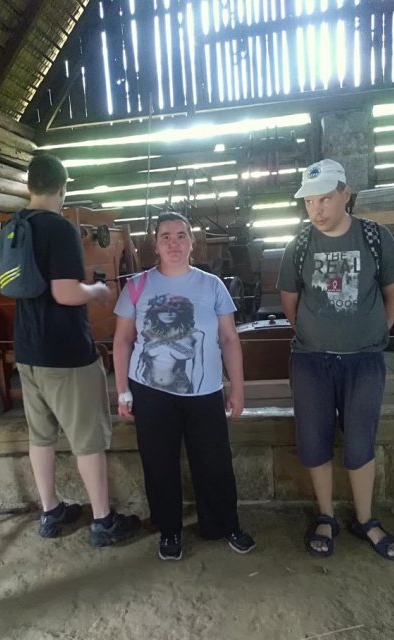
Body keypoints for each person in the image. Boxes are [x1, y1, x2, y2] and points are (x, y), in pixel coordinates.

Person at [277, 159, 394, 560]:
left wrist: (375, 331)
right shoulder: (300, 245)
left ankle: (365, 519)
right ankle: (326, 515)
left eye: (325, 199)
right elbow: (289, 301)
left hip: (363, 361)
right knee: (313, 439)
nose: (317, 209)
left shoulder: (374, 237)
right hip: (311, 362)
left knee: (360, 440)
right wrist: (315, 334)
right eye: (309, 201)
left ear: (345, 194)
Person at [113, 211, 255, 561]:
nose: (173, 243)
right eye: (166, 236)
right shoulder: (137, 286)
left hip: (204, 391)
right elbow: (123, 341)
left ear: (192, 242)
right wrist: (123, 390)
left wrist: (237, 388)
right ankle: (169, 529)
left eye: (181, 236)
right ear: (155, 245)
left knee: (214, 461)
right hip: (150, 391)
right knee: (158, 462)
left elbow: (229, 338)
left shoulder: (212, 285)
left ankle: (223, 524)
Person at [14, 153, 140, 546]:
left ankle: (50, 512)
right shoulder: (59, 228)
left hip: (27, 350)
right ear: (62, 187)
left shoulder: (14, 227)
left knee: (41, 436)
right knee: (88, 439)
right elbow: (66, 293)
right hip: (65, 352)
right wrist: (97, 290)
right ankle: (103, 521)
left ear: (31, 185)